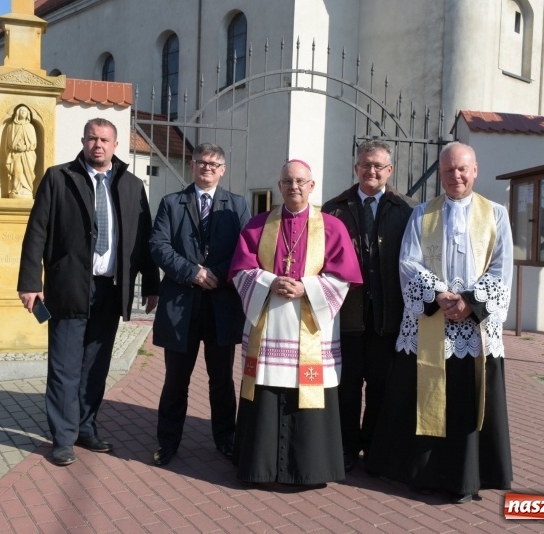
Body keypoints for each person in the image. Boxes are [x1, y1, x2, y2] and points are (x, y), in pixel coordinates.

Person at [366, 142, 513, 503]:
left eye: (462, 169)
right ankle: (424, 474)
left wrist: (471, 302)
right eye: (448, 170)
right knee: (427, 399)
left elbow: (502, 267)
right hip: (433, 322)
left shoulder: (496, 214)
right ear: (441, 173)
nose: (455, 176)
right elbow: (408, 263)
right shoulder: (421, 214)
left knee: (467, 402)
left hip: (474, 329)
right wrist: (439, 296)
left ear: (475, 170)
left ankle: (465, 478)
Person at [18, 118, 160, 466]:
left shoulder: (130, 185)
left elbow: (144, 238)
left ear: (115, 146)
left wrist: (152, 284)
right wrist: (29, 283)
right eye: (93, 138)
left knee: (96, 366)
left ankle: (85, 427)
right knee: (65, 366)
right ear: (83, 141)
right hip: (68, 287)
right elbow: (37, 230)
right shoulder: (59, 178)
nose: (98, 145)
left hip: (111, 290)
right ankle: (62, 438)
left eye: (105, 140)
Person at [228, 159, 362, 486]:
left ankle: (309, 469)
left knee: (309, 393)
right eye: (288, 181)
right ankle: (260, 467)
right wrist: (269, 283)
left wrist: (307, 287)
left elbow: (343, 277)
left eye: (301, 181)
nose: (294, 187)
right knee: (268, 391)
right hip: (270, 324)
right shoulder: (258, 226)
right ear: (279, 186)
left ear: (312, 186)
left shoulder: (332, 227)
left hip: (311, 329)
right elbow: (241, 270)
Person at [149, 143, 251, 466]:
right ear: (192, 166)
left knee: (222, 380)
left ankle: (226, 439)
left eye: (213, 163)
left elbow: (245, 249)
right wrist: (192, 272)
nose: (207, 168)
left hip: (221, 307)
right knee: (175, 380)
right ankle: (167, 442)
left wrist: (217, 275)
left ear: (223, 169)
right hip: (181, 306)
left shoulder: (237, 205)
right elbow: (158, 246)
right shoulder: (171, 203)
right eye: (201, 162)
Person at [321, 140, 415, 473]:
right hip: (347, 317)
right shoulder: (333, 210)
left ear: (389, 171)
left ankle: (374, 447)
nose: (371, 171)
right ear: (355, 167)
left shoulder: (408, 210)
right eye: (365, 164)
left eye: (378, 166)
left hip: (389, 317)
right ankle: (346, 447)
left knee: (382, 387)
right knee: (346, 387)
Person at [6, 105, 38, 198]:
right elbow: (8, 142)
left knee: (27, 172)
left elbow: (34, 143)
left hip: (27, 154)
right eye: (21, 111)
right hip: (15, 154)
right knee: (17, 170)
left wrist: (25, 147)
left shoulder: (30, 127)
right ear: (17, 113)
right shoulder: (11, 126)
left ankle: (27, 189)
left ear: (28, 114)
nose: (23, 113)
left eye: (25, 111)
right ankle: (16, 189)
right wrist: (16, 147)